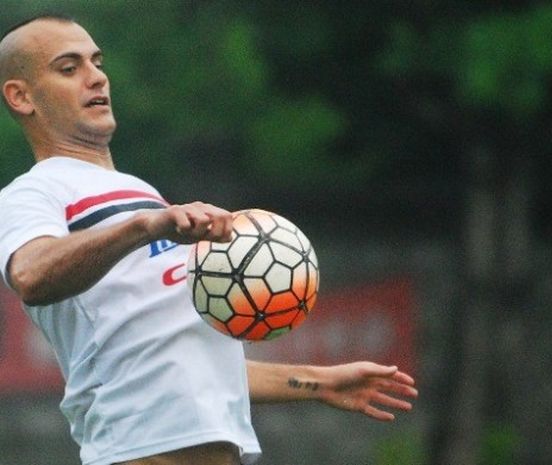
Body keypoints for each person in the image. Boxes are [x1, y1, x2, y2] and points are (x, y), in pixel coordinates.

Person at [0, 14, 418, 465]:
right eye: (69, 67)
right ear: (21, 96)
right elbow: (30, 273)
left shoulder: (144, 196)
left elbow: (192, 361)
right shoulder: (34, 191)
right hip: (137, 452)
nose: (96, 76)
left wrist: (319, 382)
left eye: (96, 62)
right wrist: (146, 226)